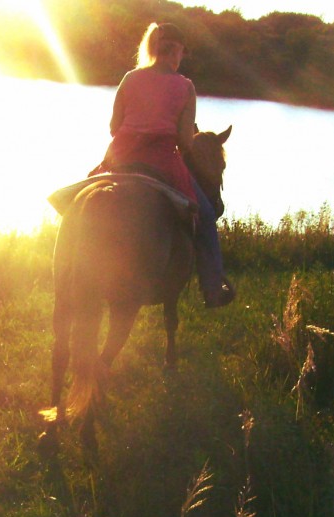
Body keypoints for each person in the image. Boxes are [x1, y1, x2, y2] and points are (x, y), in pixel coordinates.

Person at [96, 21, 234, 306]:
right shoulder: (185, 86)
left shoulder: (130, 78)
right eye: (181, 52)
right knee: (206, 215)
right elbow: (185, 142)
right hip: (161, 160)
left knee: (85, 193)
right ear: (177, 52)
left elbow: (113, 126)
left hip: (119, 156)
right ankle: (213, 288)